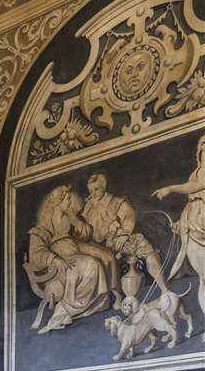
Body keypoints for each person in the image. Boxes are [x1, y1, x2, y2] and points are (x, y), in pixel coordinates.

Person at [24, 183, 118, 332]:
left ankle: (106, 298)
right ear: (58, 203)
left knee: (106, 256)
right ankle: (67, 308)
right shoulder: (41, 228)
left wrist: (75, 220)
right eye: (67, 199)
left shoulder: (68, 217)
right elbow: (37, 254)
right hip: (60, 259)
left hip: (75, 246)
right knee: (92, 264)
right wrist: (55, 259)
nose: (70, 202)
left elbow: (86, 235)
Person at [82, 172, 166, 301]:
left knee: (144, 245)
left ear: (104, 186)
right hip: (99, 245)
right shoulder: (88, 209)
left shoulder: (117, 202)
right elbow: (86, 231)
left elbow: (128, 218)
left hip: (119, 240)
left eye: (96, 189)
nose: (93, 193)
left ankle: (164, 290)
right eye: (90, 191)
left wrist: (123, 235)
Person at [154, 133, 205, 321]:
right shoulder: (198, 170)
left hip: (202, 224)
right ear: (200, 153)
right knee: (203, 278)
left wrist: (170, 189)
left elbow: (195, 187)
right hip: (193, 226)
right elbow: (193, 200)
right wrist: (181, 221)